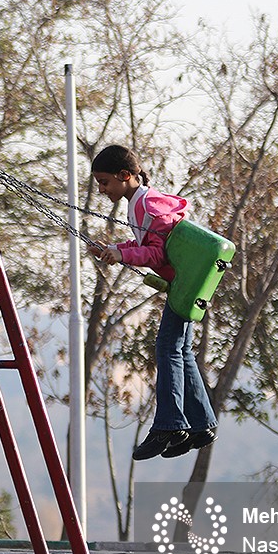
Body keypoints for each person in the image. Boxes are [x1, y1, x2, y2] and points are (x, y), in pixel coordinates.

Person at [88, 145, 218, 461]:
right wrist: (116, 249)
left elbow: (157, 253)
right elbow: (145, 244)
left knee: (167, 349)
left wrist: (122, 254)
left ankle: (171, 425)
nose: (102, 190)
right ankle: (200, 423)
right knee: (179, 349)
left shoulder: (146, 204)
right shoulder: (139, 204)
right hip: (185, 280)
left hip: (186, 281)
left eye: (105, 182)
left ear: (125, 176)